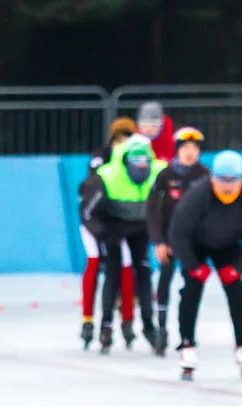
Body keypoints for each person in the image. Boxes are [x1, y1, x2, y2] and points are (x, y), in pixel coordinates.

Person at [168, 150, 242, 379]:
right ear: (213, 178)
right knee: (191, 289)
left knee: (236, 289)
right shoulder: (198, 194)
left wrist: (239, 267)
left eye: (233, 180)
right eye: (222, 179)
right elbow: (178, 232)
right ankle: (187, 345)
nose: (227, 186)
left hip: (229, 244)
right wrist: (193, 265)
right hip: (196, 244)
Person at [81, 134, 166, 352]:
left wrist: (163, 232)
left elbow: (175, 204)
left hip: (141, 226)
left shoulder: (160, 172)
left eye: (145, 163)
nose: (141, 168)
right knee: (113, 271)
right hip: (112, 226)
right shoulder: (106, 177)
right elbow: (87, 212)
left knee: (144, 271)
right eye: (135, 164)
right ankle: (106, 325)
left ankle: (149, 325)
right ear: (125, 162)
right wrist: (101, 233)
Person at [146, 126, 211, 355]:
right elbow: (154, 210)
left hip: (193, 243)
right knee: (164, 280)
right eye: (185, 148)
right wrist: (158, 241)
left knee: (192, 286)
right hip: (168, 239)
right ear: (177, 151)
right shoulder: (166, 175)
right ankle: (161, 331)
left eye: (194, 148)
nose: (190, 153)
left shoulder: (205, 175)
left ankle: (187, 332)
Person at [80, 118, 137, 349]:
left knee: (125, 264)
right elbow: (89, 204)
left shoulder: (135, 161)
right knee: (94, 262)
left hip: (116, 222)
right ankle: (87, 319)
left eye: (127, 141)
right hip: (92, 219)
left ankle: (127, 318)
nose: (121, 146)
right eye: (118, 141)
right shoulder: (100, 160)